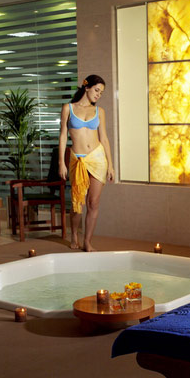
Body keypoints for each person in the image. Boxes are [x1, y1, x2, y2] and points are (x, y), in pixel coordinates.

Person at [58, 74, 114, 252]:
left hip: (97, 158)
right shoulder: (68, 108)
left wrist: (110, 165)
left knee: (93, 203)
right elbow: (62, 136)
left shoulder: (99, 111)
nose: (98, 94)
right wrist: (61, 162)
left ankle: (87, 241)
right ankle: (74, 233)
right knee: (77, 203)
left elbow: (104, 139)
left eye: (101, 92)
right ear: (86, 87)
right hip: (78, 159)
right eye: (96, 90)